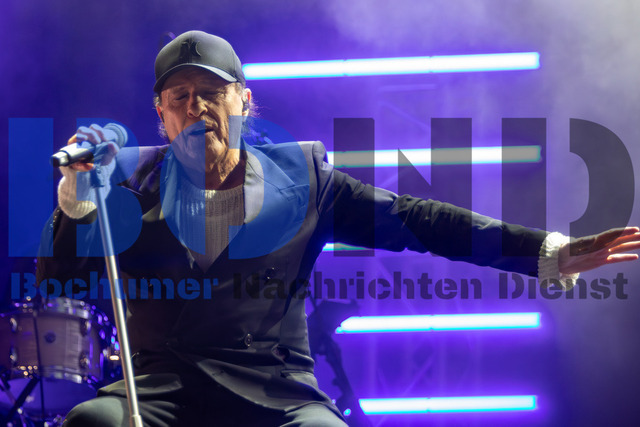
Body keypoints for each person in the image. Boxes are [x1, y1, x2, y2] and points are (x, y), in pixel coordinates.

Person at [35, 30, 640, 426]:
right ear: (162, 114)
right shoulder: (126, 179)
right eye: (180, 96)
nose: (197, 107)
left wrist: (547, 252)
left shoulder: (304, 178)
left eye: (212, 91)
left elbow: (418, 220)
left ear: (243, 100)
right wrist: (77, 195)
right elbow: (60, 279)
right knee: (93, 421)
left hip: (273, 392)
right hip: (162, 390)